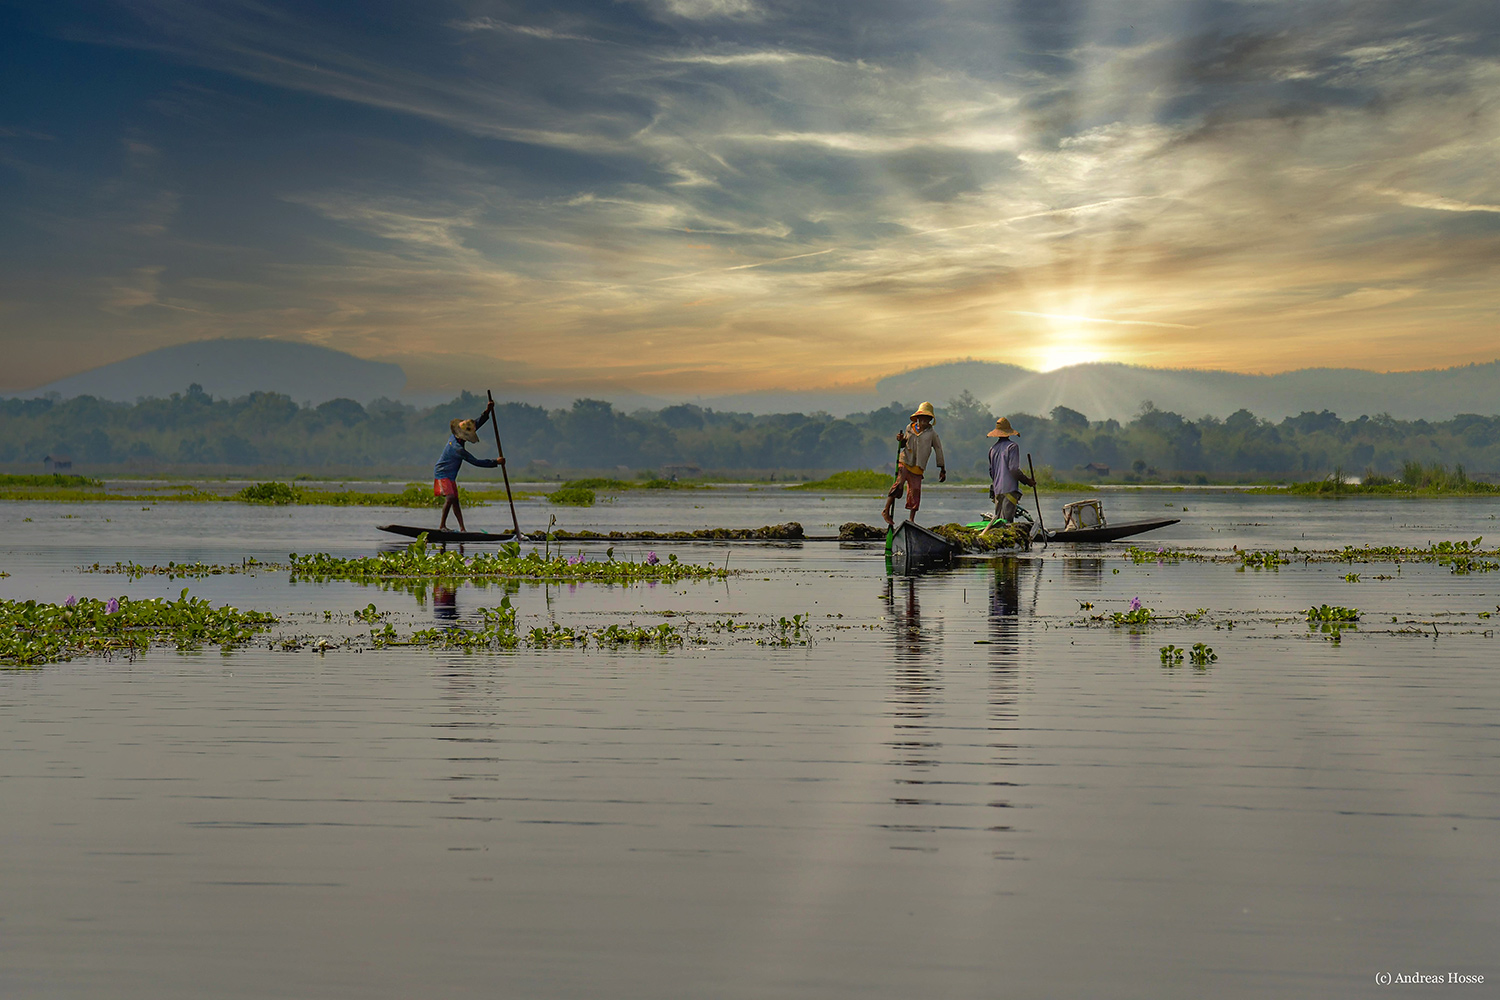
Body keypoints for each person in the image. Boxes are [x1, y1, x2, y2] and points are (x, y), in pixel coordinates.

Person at [433, 400, 501, 532]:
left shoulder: (458, 435)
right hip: (442, 473)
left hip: (450, 475)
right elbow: (476, 462)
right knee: (451, 497)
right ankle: (442, 526)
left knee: (455, 501)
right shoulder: (457, 449)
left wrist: (487, 411)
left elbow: (476, 424)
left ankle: (462, 529)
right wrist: (495, 462)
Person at [882, 401, 946, 525]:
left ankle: (911, 519)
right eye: (923, 417)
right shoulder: (909, 428)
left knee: (915, 490)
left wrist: (942, 469)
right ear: (918, 417)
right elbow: (902, 445)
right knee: (898, 485)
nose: (924, 421)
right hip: (905, 461)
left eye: (927, 418)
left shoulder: (932, 434)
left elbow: (938, 450)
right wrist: (900, 440)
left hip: (918, 466)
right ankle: (886, 511)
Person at [987, 416, 1033, 524]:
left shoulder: (992, 449)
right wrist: (1027, 481)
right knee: (1007, 522)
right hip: (1009, 489)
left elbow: (991, 472)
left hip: (997, 491)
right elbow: (1013, 469)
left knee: (999, 521)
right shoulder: (1012, 447)